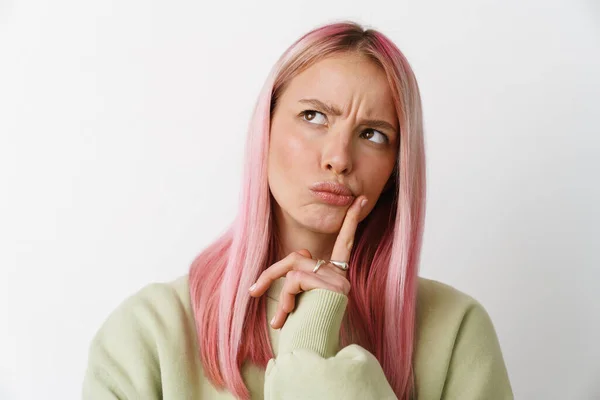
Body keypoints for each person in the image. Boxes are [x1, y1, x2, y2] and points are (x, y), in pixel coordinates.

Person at [82, 20, 513, 399]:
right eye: (314, 116)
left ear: (396, 171)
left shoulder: (455, 330)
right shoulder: (148, 332)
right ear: (264, 129)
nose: (339, 157)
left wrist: (314, 361)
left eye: (373, 135)